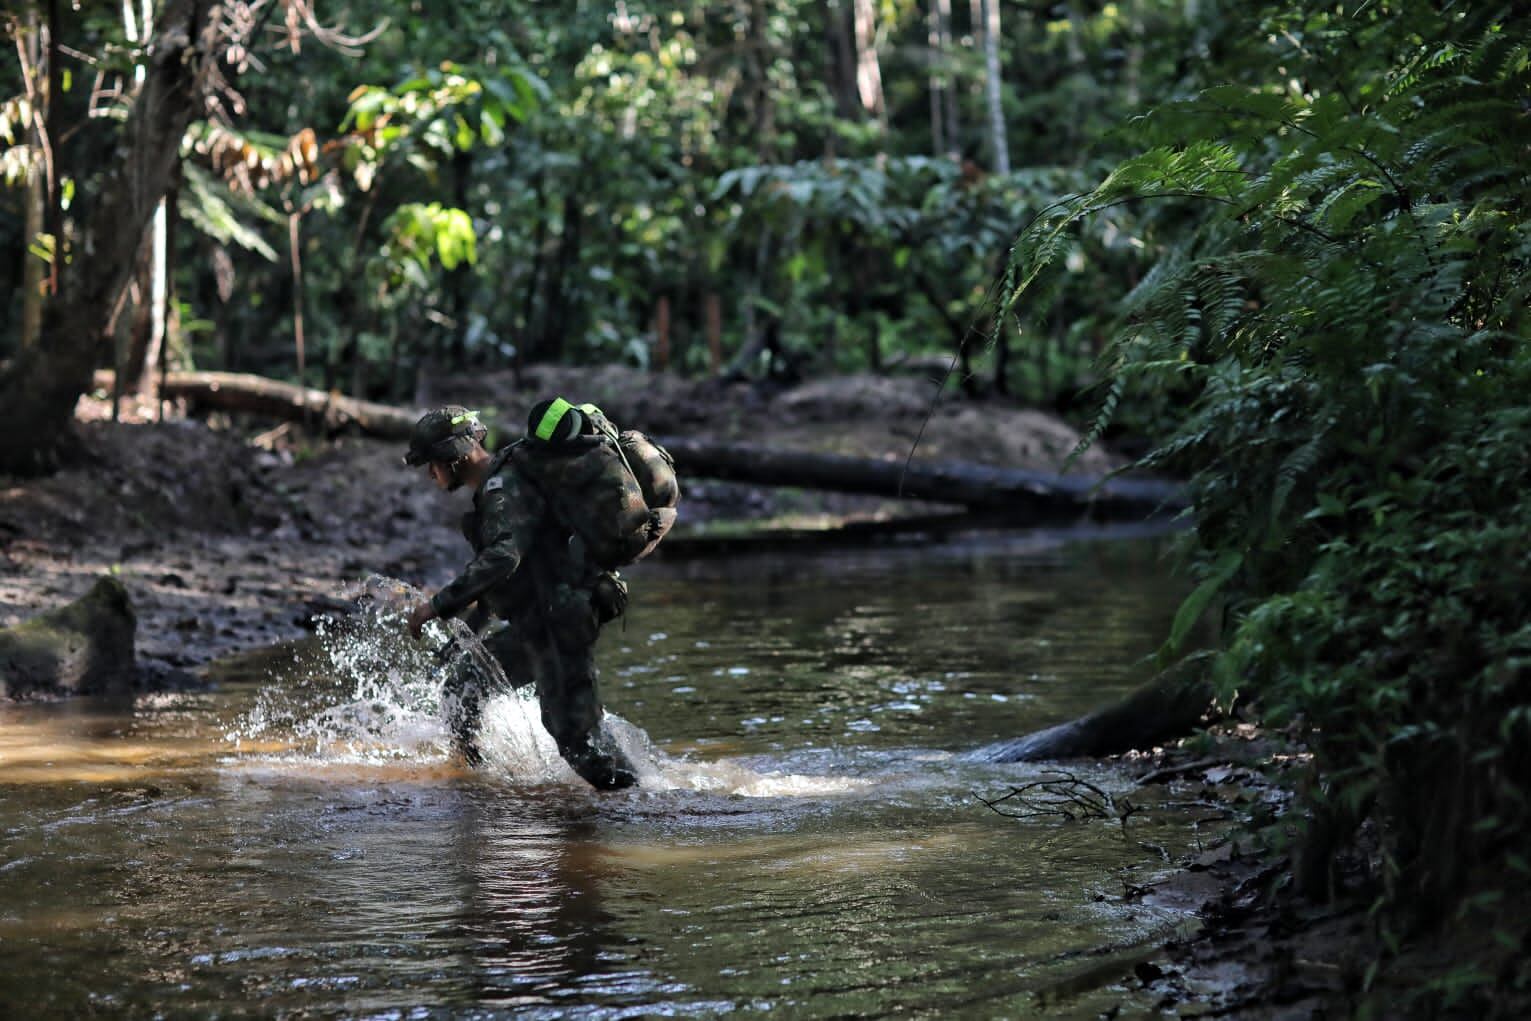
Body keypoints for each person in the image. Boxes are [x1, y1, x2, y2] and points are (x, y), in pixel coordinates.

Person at [402, 404, 638, 790]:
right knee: (463, 688)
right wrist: (465, 635)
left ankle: (650, 808)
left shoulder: (502, 489)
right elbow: (507, 581)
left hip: (562, 622)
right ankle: (476, 787)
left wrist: (436, 605)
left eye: (432, 463)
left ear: (453, 455)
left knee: (582, 749)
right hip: (540, 621)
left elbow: (502, 559)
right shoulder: (500, 485)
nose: (431, 473)